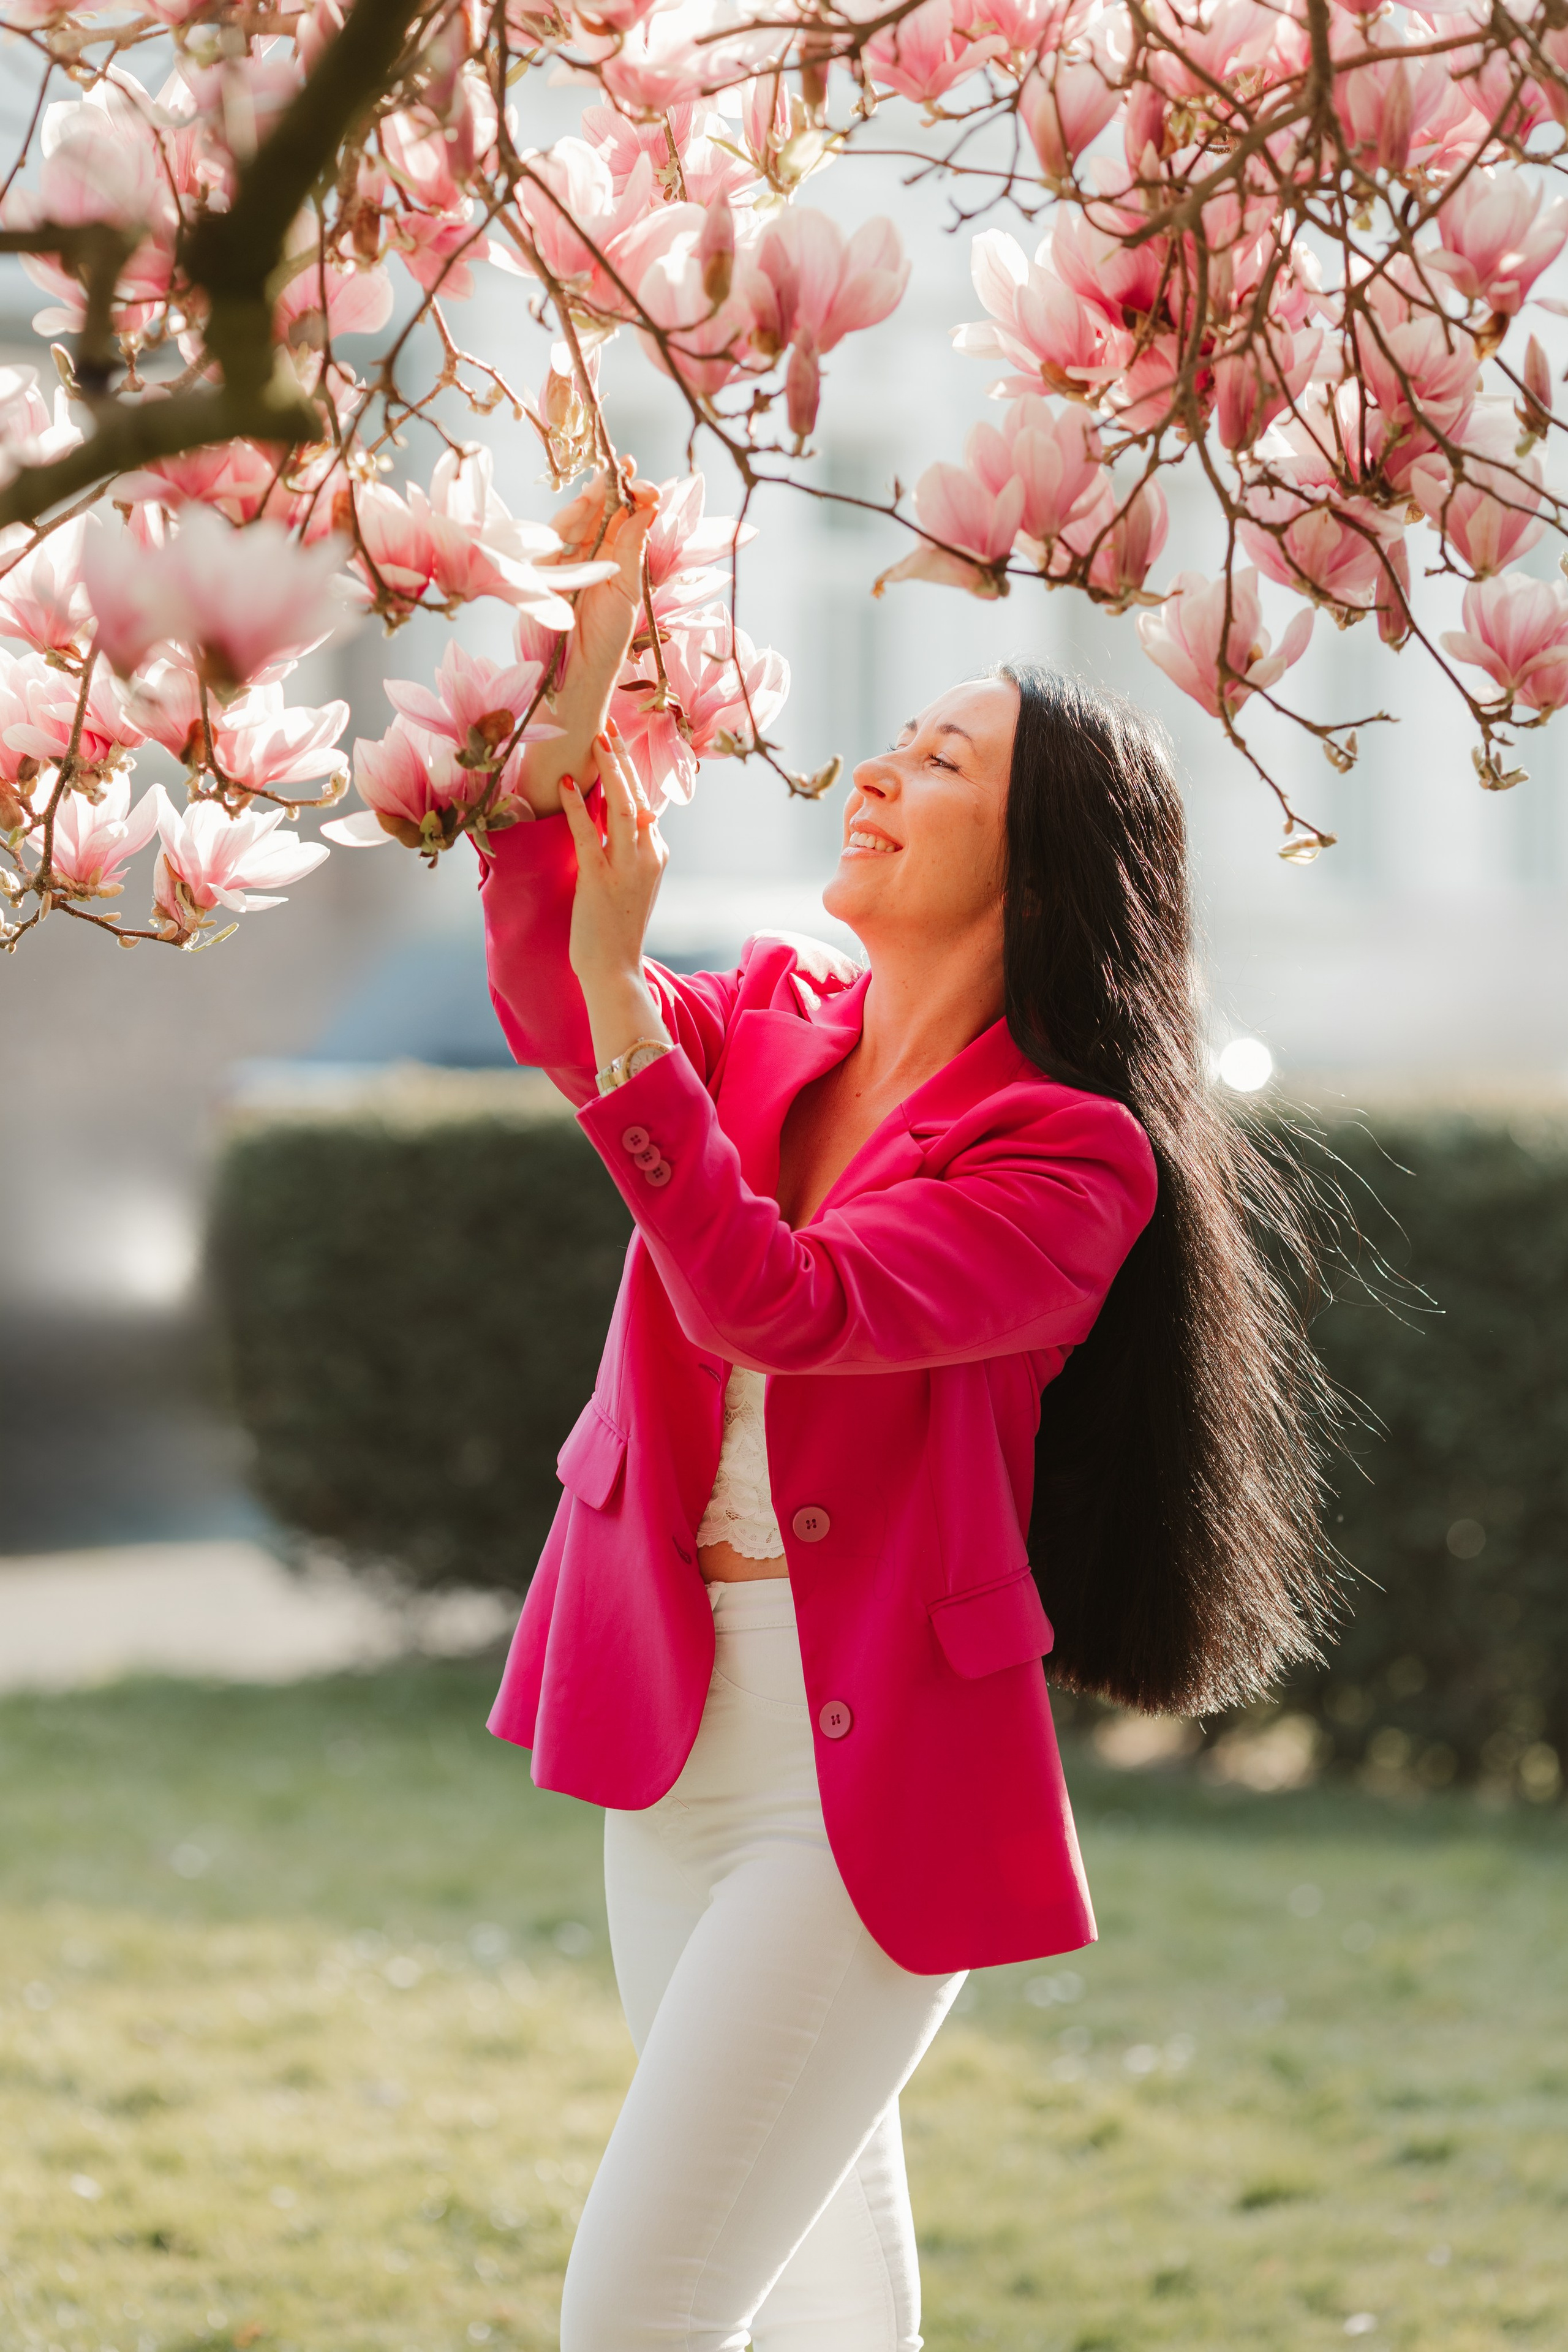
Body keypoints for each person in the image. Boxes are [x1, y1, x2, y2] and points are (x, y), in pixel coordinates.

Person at [476, 483, 1331, 2351]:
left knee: (638, 2312)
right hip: (672, 1722)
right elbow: (552, 985)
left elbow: (781, 1306)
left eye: (940, 760)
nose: (873, 771)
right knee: (823, 2303)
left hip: (857, 1779)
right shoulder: (773, 1021)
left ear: (1043, 872)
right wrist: (589, 664)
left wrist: (621, 993)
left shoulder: (1071, 1156)